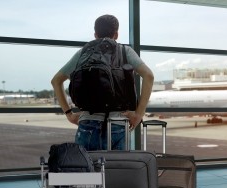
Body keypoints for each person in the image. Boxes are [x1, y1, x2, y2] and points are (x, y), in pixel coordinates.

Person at [51, 14, 154, 151]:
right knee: (118, 171)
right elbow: (149, 76)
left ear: (95, 34)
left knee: (87, 170)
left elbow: (56, 81)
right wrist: (139, 114)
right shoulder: (125, 51)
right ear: (116, 34)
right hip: (117, 124)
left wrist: (69, 114)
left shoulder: (82, 54)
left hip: (87, 123)